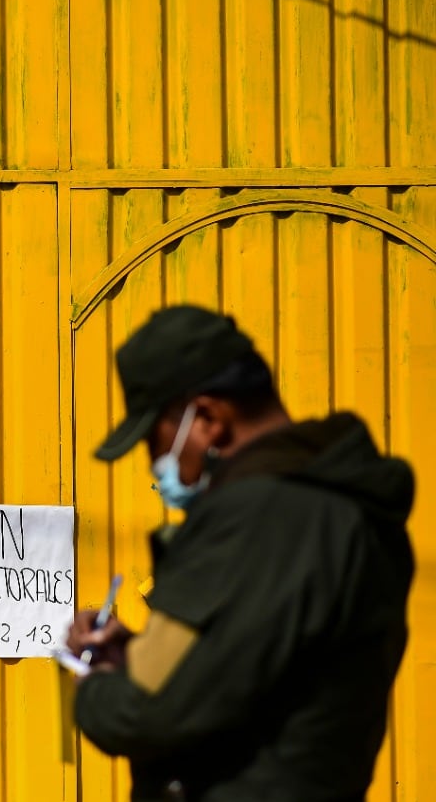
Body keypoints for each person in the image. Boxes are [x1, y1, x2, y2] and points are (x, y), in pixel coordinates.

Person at [67, 305, 414, 801]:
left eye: (155, 442)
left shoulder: (260, 515)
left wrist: (94, 685)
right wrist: (137, 657)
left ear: (208, 418)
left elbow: (145, 711)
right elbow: (245, 672)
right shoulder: (342, 506)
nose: (155, 464)